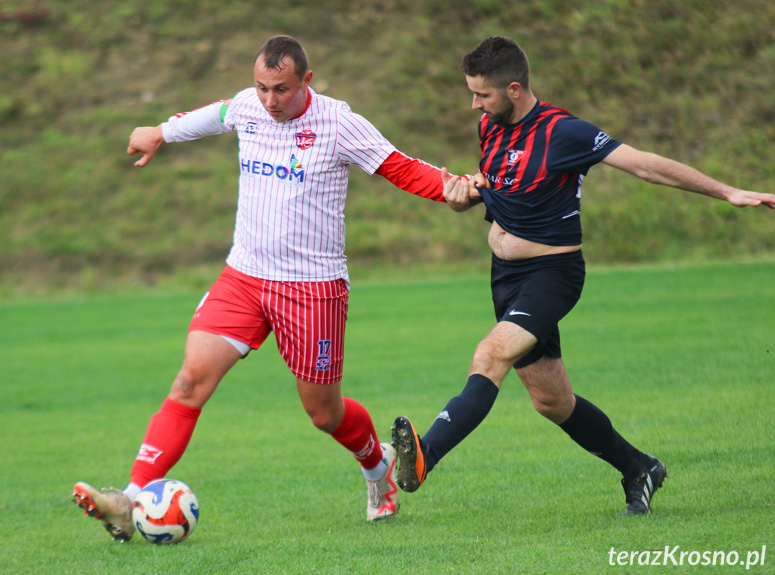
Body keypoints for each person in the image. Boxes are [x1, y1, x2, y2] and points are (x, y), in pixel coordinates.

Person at [72, 35, 467, 540]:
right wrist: (160, 132)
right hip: (243, 277)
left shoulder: (338, 122)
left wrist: (457, 186)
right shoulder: (249, 106)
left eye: (280, 89)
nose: (269, 100)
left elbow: (399, 167)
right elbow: (217, 114)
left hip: (312, 288)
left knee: (323, 413)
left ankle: (377, 467)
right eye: (261, 87)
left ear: (307, 79)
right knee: (189, 383)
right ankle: (129, 502)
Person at [391, 36, 775, 516]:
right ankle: (639, 468)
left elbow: (647, 166)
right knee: (553, 401)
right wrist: (465, 196)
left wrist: (728, 192)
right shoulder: (490, 127)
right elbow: (499, 186)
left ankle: (425, 455)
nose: (474, 104)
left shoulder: (563, 133)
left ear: (513, 89)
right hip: (505, 277)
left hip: (551, 275)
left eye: (481, 94)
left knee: (490, 354)